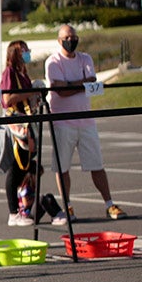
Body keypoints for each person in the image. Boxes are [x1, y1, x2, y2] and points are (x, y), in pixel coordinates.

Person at [45, 25, 125, 222]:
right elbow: (59, 90)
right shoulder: (53, 61)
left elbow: (91, 83)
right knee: (63, 167)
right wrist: (78, 85)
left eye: (73, 37)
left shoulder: (85, 58)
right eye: (66, 37)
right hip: (63, 122)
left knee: (97, 164)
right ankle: (68, 206)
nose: (71, 40)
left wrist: (70, 85)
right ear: (59, 40)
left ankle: (109, 203)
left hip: (86, 120)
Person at [0, 40, 41, 226]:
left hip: (26, 122)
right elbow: (7, 99)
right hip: (16, 125)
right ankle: (12, 212)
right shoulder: (10, 73)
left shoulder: (22, 73)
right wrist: (29, 92)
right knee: (15, 168)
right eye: (24, 51)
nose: (27, 53)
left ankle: (23, 208)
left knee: (27, 167)